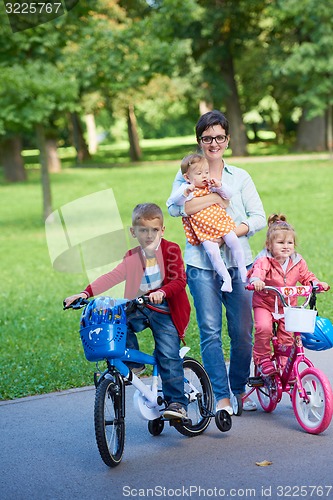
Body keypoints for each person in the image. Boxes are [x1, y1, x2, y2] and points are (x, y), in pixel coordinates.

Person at [167, 110, 266, 415]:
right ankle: (221, 396)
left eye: (219, 137)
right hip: (200, 263)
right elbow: (175, 209)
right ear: (200, 141)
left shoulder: (240, 177)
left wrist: (228, 233)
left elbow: (258, 218)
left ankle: (237, 387)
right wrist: (214, 201)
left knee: (241, 332)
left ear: (227, 140)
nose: (213, 143)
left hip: (239, 262)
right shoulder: (186, 171)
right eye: (207, 138)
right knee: (209, 331)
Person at [64, 203, 191, 420]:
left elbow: (180, 279)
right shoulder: (132, 256)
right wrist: (85, 293)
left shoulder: (171, 249)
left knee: (167, 355)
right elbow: (112, 276)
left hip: (165, 308)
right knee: (117, 322)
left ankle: (177, 402)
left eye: (154, 230)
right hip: (140, 306)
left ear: (162, 230)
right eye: (143, 230)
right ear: (133, 232)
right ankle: (134, 363)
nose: (149, 235)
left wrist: (162, 291)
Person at [247, 213, 330, 375]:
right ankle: (262, 359)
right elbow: (258, 272)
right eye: (280, 242)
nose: (286, 246)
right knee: (263, 328)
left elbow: (307, 276)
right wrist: (257, 281)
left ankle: (285, 365)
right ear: (269, 245)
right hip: (265, 304)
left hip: (287, 305)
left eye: (289, 242)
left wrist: (316, 284)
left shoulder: (297, 261)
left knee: (288, 334)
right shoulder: (264, 260)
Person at [168, 152, 247, 292]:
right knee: (213, 254)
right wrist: (185, 193)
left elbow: (228, 196)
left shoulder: (211, 185)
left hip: (220, 222)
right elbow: (175, 202)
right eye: (199, 173)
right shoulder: (186, 189)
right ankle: (226, 278)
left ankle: (242, 269)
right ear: (187, 177)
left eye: (206, 172)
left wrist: (220, 186)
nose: (205, 176)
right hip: (203, 230)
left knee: (233, 240)